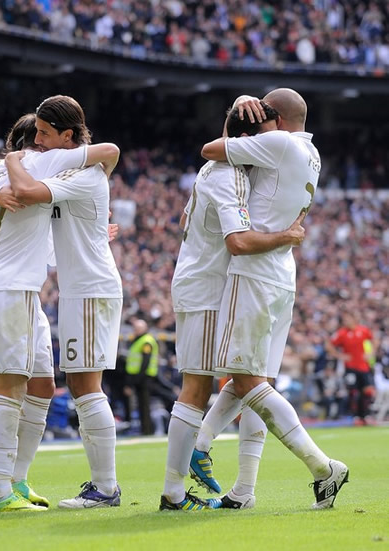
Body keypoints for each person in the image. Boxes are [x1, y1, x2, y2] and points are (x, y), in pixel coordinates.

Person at [0, 110, 120, 512]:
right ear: (34, 146)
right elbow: (106, 153)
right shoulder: (39, 165)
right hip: (15, 290)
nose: (43, 142)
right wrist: (13, 173)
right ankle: (0, 489)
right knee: (10, 390)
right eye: (39, 136)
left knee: (23, 387)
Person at [193, 88, 348, 511]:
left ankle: (323, 468)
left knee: (247, 380)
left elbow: (211, 149)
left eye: (262, 110)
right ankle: (241, 489)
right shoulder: (308, 151)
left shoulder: (277, 142)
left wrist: (242, 106)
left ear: (274, 117)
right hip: (282, 274)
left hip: (257, 271)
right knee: (252, 379)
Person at [160, 102, 307, 511]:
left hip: (198, 281)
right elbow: (238, 242)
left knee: (242, 379)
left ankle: (213, 474)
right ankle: (173, 493)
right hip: (208, 288)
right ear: (245, 141)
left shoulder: (213, 170)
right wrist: (288, 235)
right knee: (197, 388)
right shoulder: (228, 175)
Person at [4, 94, 122, 509]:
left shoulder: (85, 174)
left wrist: (12, 159)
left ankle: (105, 488)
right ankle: (102, 486)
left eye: (43, 133)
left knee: (86, 388)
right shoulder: (78, 169)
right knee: (80, 385)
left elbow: (27, 191)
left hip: (90, 288)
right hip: (80, 288)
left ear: (67, 135)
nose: (36, 141)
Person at [325, 310, 375, 424]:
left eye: (347, 319)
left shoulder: (363, 330)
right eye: (344, 319)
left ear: (354, 319)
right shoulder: (342, 333)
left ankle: (365, 415)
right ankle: (356, 417)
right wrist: (340, 355)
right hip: (350, 367)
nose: (345, 321)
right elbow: (328, 344)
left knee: (367, 392)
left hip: (364, 367)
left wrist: (372, 352)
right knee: (354, 392)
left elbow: (374, 340)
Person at [125, 318, 160, 435]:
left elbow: (145, 361)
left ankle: (147, 430)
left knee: (144, 405)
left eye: (138, 328)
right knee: (141, 405)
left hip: (144, 377)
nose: (135, 330)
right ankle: (145, 429)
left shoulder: (146, 341)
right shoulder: (138, 340)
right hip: (138, 377)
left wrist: (138, 377)